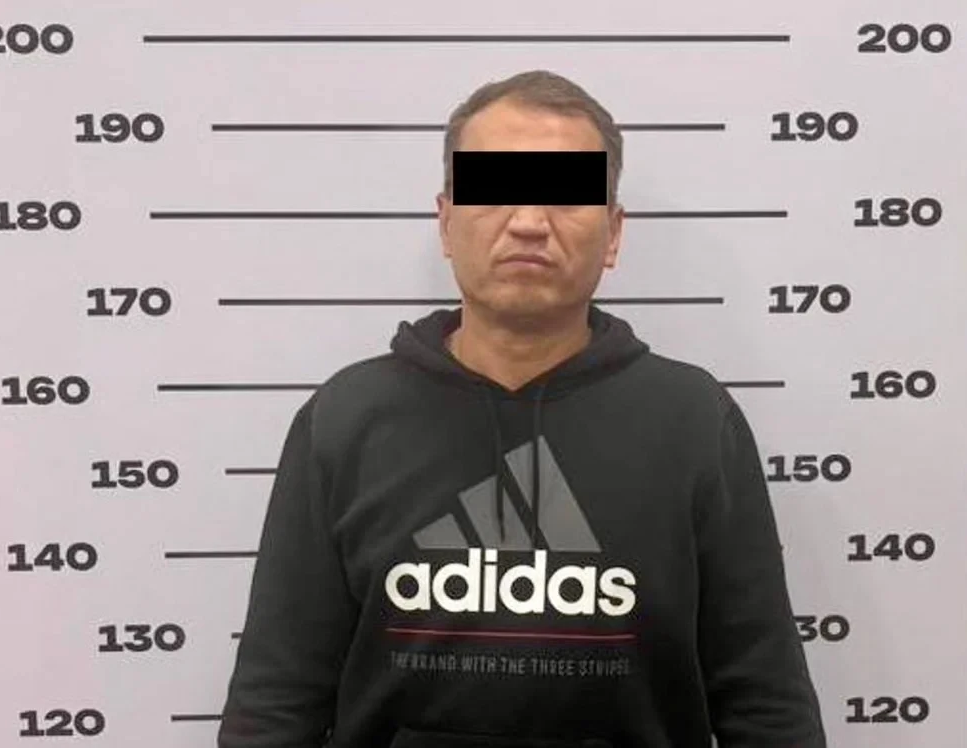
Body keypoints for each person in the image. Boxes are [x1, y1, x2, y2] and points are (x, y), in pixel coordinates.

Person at [217, 69, 827, 748]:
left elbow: (766, 705)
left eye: (565, 196)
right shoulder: (345, 420)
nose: (530, 223)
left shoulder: (695, 423)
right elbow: (274, 705)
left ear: (613, 233)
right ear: (446, 221)